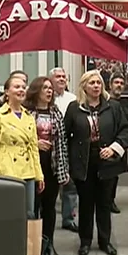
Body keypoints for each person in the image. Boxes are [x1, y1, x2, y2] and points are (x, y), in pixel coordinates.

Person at [64, 70, 128, 255]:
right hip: (83, 163)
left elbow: (125, 130)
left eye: (99, 83)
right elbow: (64, 135)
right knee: (86, 204)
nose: (96, 86)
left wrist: (114, 148)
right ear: (84, 86)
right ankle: (85, 242)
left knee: (104, 203)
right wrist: (67, 164)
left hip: (107, 162)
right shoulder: (74, 108)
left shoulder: (113, 107)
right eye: (92, 83)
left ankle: (105, 241)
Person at [23, 76, 69, 255]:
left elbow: (63, 142)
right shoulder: (26, 113)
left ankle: (49, 244)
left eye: (51, 88)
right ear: (36, 91)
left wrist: (64, 170)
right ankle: (35, 247)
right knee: (34, 208)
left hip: (52, 166)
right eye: (45, 88)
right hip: (32, 166)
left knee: (50, 207)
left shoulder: (56, 113)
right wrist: (35, 143)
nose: (49, 91)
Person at [0, 75, 43, 218]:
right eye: (16, 87)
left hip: (28, 171)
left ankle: (26, 241)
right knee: (8, 214)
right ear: (6, 91)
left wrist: (39, 175)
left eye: (23, 87)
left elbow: (34, 148)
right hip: (7, 170)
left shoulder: (29, 117)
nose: (21, 90)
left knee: (29, 214)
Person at [51, 67, 78, 233]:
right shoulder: (46, 97)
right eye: (58, 77)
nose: (61, 79)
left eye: (64, 77)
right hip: (49, 144)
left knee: (70, 184)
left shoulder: (73, 99)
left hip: (68, 143)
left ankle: (68, 218)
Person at [107, 72, 128, 214]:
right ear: (110, 85)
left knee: (116, 174)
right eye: (116, 83)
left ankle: (112, 200)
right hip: (108, 143)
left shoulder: (127, 103)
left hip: (121, 142)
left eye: (122, 83)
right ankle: (106, 200)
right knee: (108, 173)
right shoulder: (106, 101)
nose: (119, 86)